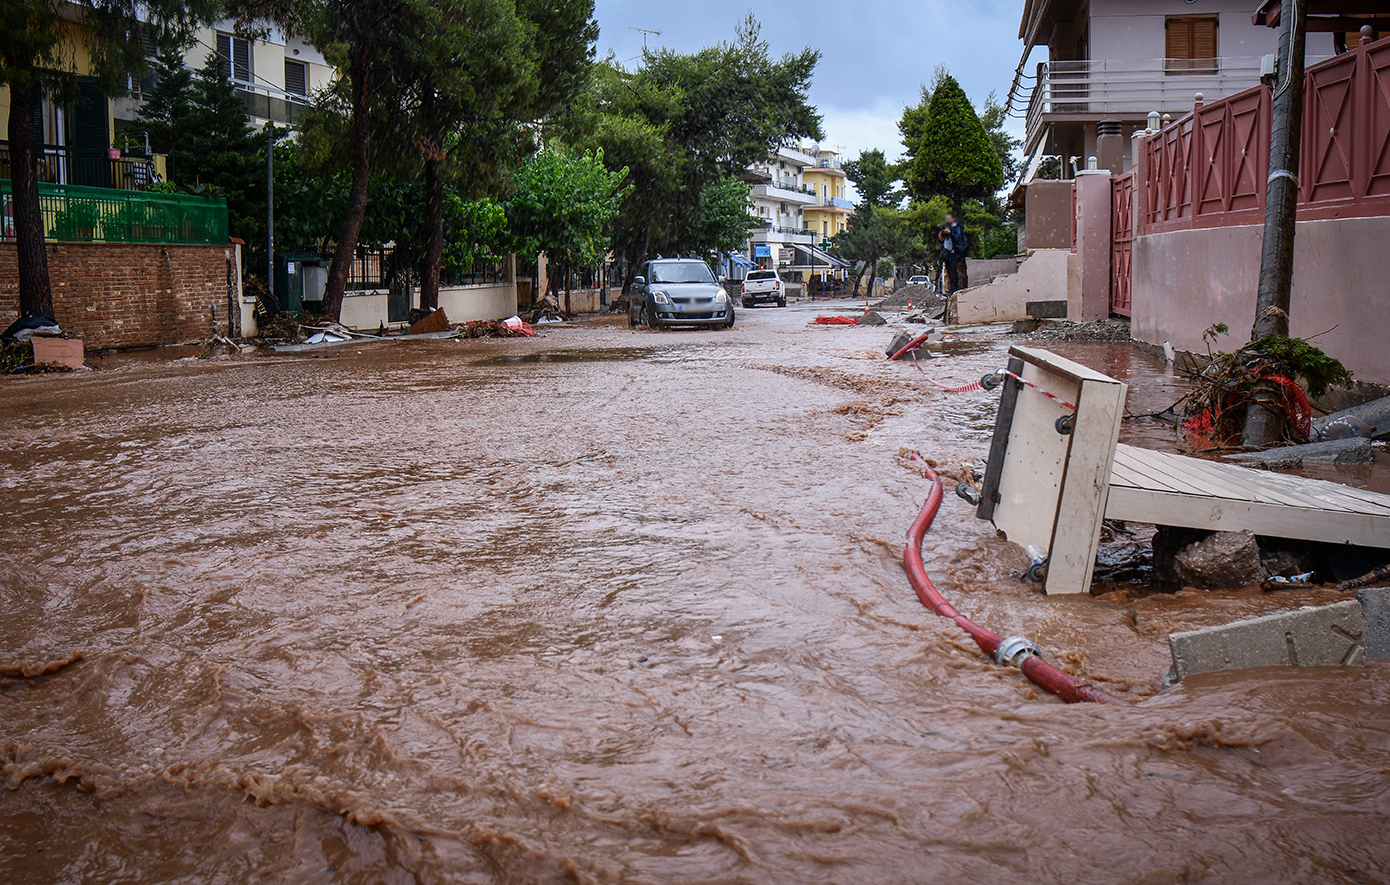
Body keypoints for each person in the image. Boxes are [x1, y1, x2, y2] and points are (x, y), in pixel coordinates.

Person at [940, 212, 968, 294]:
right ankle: (951, 289)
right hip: (947, 253)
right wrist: (942, 232)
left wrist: (950, 233)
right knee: (949, 272)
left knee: (953, 272)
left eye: (949, 219)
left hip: (953, 253)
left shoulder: (957, 228)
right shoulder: (947, 228)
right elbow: (941, 239)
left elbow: (958, 239)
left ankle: (954, 289)